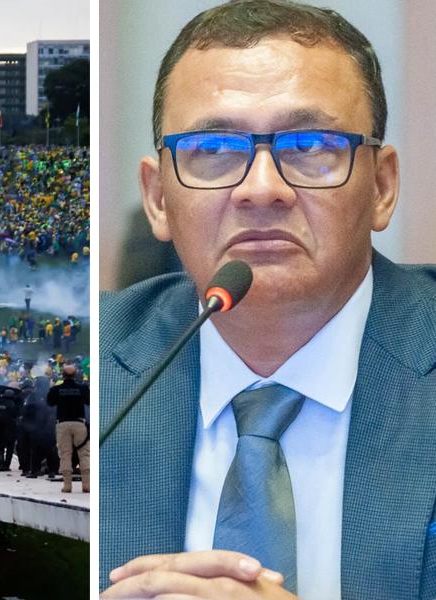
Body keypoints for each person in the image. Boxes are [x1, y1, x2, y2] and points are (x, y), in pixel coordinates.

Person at [100, 2, 416, 599]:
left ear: (381, 186)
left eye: (311, 145)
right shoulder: (98, 366)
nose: (262, 188)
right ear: (158, 199)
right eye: (214, 149)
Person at [47, 363, 88, 494]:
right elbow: (89, 402)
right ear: (75, 375)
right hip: (79, 424)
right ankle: (87, 485)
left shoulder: (56, 389)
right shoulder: (82, 388)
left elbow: (50, 402)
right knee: (84, 454)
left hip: (63, 424)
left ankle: (67, 485)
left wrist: (51, 388)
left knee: (65, 454)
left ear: (63, 375)